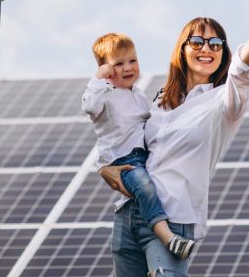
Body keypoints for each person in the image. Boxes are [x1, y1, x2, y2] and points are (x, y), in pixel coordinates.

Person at [99, 10, 249, 277]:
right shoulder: (159, 101)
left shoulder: (224, 103)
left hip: (174, 219)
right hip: (130, 214)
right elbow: (129, 146)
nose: (206, 48)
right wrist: (106, 170)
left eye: (215, 44)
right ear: (183, 49)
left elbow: (242, 73)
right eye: (197, 42)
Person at [82, 32, 195, 260]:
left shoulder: (139, 95)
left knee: (152, 185)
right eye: (119, 64)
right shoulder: (104, 94)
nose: (128, 68)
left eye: (132, 61)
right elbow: (90, 107)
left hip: (141, 157)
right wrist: (98, 79)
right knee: (145, 187)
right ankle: (168, 238)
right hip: (121, 161)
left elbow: (150, 122)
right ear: (106, 69)